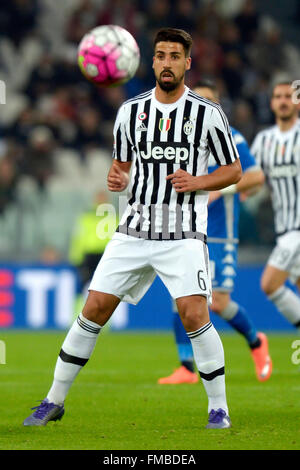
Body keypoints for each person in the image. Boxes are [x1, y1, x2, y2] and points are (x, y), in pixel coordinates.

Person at [23, 28, 242, 430]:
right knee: (94, 308)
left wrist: (197, 181)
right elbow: (121, 167)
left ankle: (219, 408)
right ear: (152, 61)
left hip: (183, 232)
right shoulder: (130, 112)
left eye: (176, 56)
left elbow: (233, 170)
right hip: (134, 229)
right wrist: (116, 178)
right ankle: (53, 400)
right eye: (161, 55)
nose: (167, 62)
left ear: (187, 63)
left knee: (194, 314)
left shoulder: (207, 114)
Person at [158, 80, 272, 386]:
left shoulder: (231, 138)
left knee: (217, 302)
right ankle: (185, 367)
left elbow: (256, 177)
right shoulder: (179, 140)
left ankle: (255, 341)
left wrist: (224, 188)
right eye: (198, 99)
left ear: (218, 105)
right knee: (180, 299)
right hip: (184, 230)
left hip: (219, 234)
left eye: (209, 100)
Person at [250, 81, 300, 332]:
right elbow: (252, 179)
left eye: (288, 96)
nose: (283, 101)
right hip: (284, 229)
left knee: (269, 283)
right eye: (278, 96)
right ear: (271, 103)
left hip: (297, 230)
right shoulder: (264, 140)